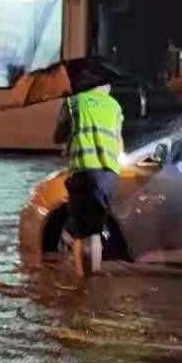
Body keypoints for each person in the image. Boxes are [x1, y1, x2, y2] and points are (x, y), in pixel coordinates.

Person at [53, 78, 125, 277]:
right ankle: (90, 281)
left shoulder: (73, 102)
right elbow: (119, 144)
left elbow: (57, 136)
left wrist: (69, 139)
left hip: (84, 171)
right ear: (105, 86)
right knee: (93, 228)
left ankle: (84, 285)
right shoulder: (115, 106)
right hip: (110, 175)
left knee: (84, 232)